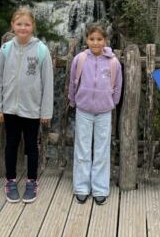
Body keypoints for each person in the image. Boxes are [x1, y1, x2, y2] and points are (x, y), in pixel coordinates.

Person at [0, 7, 53, 204]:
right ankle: (10, 181)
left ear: (33, 26)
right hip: (10, 109)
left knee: (31, 146)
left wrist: (46, 111)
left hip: (32, 109)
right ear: (12, 26)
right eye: (19, 24)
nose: (23, 27)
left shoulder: (41, 50)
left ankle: (31, 181)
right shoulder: (5, 49)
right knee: (11, 144)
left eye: (27, 24)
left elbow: (47, 83)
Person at [68, 23, 122, 206]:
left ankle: (100, 188)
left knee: (101, 149)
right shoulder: (80, 59)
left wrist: (111, 103)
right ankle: (82, 187)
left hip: (104, 112)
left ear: (105, 40)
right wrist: (73, 100)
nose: (96, 42)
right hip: (83, 110)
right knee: (82, 148)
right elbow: (72, 82)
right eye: (92, 39)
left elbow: (118, 87)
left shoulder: (113, 62)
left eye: (99, 39)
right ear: (86, 40)